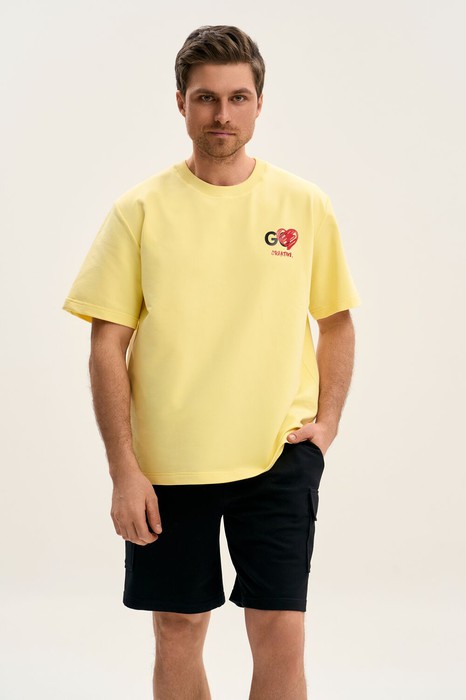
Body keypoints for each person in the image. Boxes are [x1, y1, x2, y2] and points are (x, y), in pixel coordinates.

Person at [62, 24, 361, 700]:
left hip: (278, 455)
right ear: (181, 103)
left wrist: (327, 425)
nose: (221, 114)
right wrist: (124, 471)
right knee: (177, 628)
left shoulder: (303, 205)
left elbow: (337, 320)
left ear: (259, 104)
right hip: (167, 464)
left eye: (237, 98)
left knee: (281, 631)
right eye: (205, 98)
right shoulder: (139, 210)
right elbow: (106, 343)